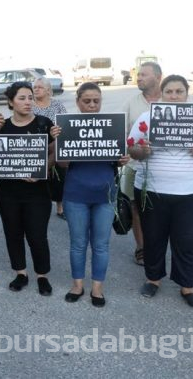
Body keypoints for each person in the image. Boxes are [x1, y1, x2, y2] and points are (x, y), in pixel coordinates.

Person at [128, 75, 193, 309]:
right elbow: (132, 149)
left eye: (179, 91)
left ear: (187, 94)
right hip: (153, 188)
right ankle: (153, 279)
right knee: (154, 237)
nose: (174, 96)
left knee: (186, 240)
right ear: (162, 93)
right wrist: (142, 151)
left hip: (192, 190)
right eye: (169, 91)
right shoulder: (148, 117)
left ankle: (187, 285)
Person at [50, 83, 129, 307]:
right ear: (78, 102)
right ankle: (77, 285)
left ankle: (97, 288)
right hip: (76, 194)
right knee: (78, 243)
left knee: (101, 245)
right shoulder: (67, 127)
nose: (92, 105)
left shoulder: (112, 127)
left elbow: (118, 159)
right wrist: (59, 141)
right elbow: (63, 163)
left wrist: (123, 159)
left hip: (105, 195)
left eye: (96, 101)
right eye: (87, 101)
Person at [0, 81, 54, 296]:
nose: (28, 102)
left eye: (30, 97)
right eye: (22, 98)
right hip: (8, 191)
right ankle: (20, 273)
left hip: (37, 191)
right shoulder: (1, 127)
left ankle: (42, 276)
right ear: (11, 102)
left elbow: (55, 152)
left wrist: (43, 168)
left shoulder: (43, 123)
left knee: (37, 235)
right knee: (13, 233)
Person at [121, 62, 162, 266]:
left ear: (158, 76)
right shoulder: (131, 103)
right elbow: (121, 132)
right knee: (136, 206)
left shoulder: (171, 100)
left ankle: (157, 247)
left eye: (144, 75)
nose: (138, 78)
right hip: (135, 166)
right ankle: (141, 248)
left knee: (160, 210)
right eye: (138, 75)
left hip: (165, 168)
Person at [32, 77, 68, 219]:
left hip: (56, 145)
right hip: (35, 147)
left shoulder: (57, 105)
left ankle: (60, 207)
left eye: (39, 87)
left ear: (48, 90)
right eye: (34, 87)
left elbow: (65, 124)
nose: (36, 89)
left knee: (59, 177)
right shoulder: (30, 105)